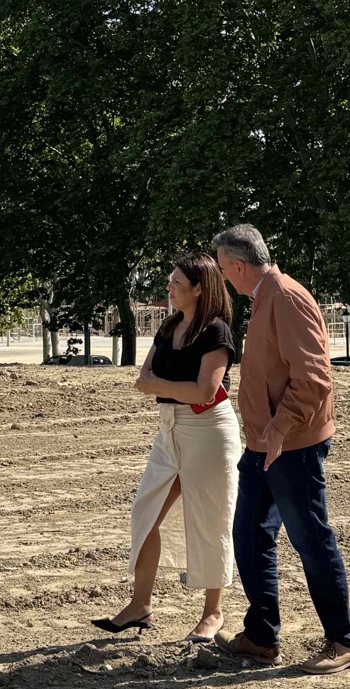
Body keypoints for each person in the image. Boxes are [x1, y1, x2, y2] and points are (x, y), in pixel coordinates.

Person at [211, 223, 350, 674]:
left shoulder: (286, 298)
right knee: (249, 533)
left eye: (223, 270)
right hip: (264, 444)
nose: (223, 278)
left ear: (240, 266)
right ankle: (262, 637)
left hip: (292, 444)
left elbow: (314, 377)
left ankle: (344, 640)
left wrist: (279, 427)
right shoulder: (265, 298)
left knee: (310, 538)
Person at [93, 251, 243, 642]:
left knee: (210, 520)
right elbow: (143, 377)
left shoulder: (216, 331)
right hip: (170, 428)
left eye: (176, 282)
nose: (169, 287)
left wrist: (160, 386)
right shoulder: (169, 325)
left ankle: (213, 613)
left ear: (199, 288)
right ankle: (140, 605)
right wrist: (167, 387)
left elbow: (204, 392)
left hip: (209, 431)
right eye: (170, 280)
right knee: (145, 512)